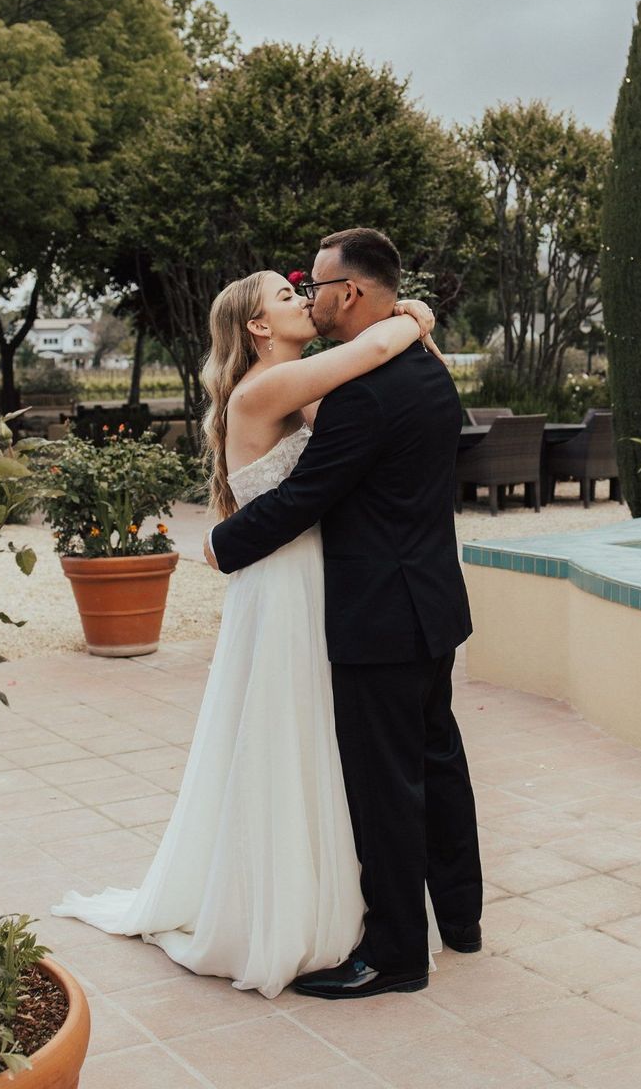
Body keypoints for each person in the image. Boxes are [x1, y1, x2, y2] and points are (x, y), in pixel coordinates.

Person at [51, 264, 441, 999]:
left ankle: (338, 900)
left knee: (318, 735)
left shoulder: (306, 386)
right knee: (283, 730)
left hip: (316, 576)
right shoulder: (266, 388)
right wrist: (410, 317)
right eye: (288, 297)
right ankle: (277, 908)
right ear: (258, 327)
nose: (305, 301)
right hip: (281, 582)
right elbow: (368, 353)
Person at [206, 228, 483, 1000]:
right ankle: (461, 919)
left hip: (378, 615)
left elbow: (303, 498)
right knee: (438, 763)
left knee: (387, 786)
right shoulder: (426, 370)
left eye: (316, 285)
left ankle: (396, 954)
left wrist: (223, 545)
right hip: (431, 601)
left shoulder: (361, 392)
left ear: (350, 293)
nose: (311, 294)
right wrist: (413, 320)